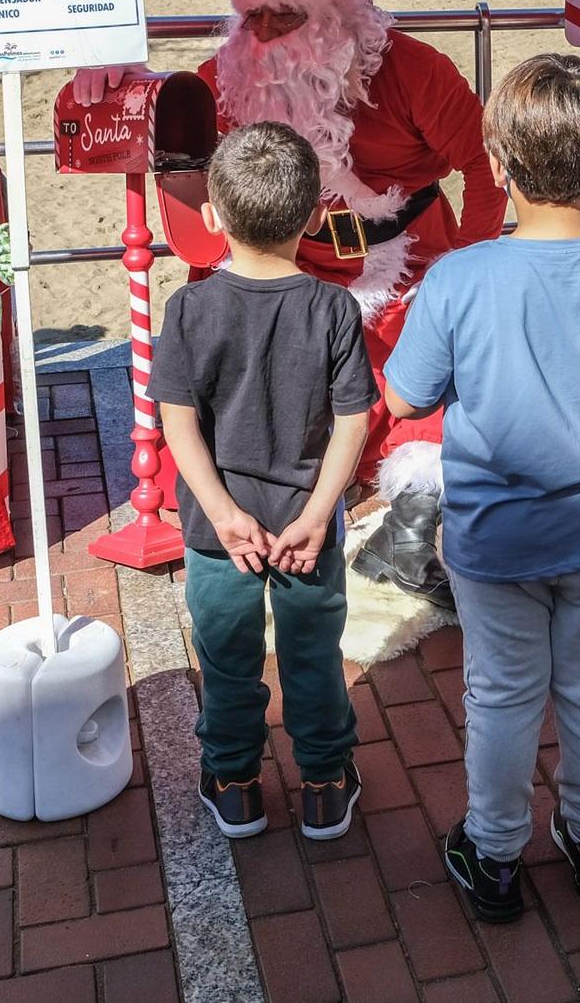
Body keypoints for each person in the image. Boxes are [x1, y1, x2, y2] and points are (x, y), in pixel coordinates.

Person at [74, 0, 506, 602]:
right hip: (285, 262)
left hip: (405, 266)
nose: (269, 34)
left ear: (338, 16)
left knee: (433, 381)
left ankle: (413, 515)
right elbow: (169, 133)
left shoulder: (417, 70)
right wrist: (108, 77)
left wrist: (467, 270)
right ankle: (253, 493)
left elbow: (485, 169)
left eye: (289, 16)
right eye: (255, 18)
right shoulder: (229, 72)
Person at [383, 52, 580, 923]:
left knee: (502, 692)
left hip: (495, 537)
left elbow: (404, 395)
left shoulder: (457, 279)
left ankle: (493, 853)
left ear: (497, 165)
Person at [150, 121, 379, 843]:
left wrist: (219, 511)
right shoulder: (335, 309)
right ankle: (323, 783)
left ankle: (235, 780)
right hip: (305, 526)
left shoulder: (189, 308)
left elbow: (177, 422)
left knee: (227, 657)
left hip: (219, 532)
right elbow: (353, 422)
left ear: (213, 216)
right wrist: (320, 512)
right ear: (314, 216)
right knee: (313, 655)